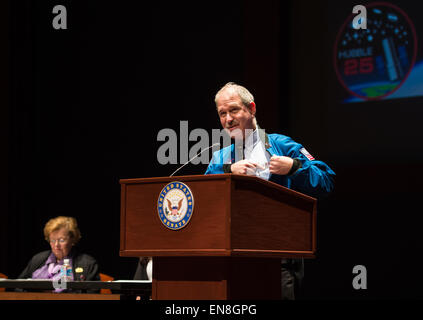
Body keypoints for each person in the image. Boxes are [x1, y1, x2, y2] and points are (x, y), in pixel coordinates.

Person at [205, 82, 336, 299]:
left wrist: (294, 167)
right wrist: (228, 170)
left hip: (279, 254)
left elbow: (326, 180)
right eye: (222, 113)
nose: (228, 119)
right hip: (233, 254)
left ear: (252, 109)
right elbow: (205, 194)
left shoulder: (281, 145)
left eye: (234, 110)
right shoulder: (221, 157)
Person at [18, 216, 100, 292]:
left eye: (61, 240)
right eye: (53, 240)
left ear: (72, 240)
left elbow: (93, 294)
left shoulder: (88, 263)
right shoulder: (38, 259)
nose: (56, 245)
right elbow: (18, 287)